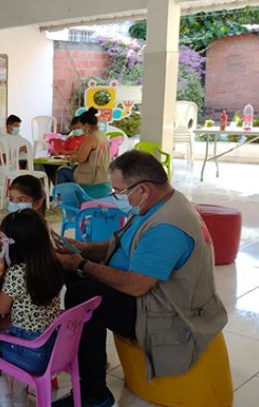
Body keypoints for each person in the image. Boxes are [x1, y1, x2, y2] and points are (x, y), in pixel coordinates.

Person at [52, 150, 228, 407]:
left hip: (166, 312)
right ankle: (89, 356)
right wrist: (81, 248)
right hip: (150, 295)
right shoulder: (155, 204)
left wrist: (82, 263)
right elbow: (119, 244)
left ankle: (94, 395)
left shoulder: (168, 226)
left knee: (81, 295)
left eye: (119, 191)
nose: (116, 198)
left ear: (143, 189)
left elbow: (135, 285)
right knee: (75, 276)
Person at [0, 209, 65, 407]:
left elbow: (0, 308)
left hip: (27, 352)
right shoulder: (53, 264)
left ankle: (1, 393)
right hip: (53, 347)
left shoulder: (17, 273)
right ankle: (16, 391)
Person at [0, 175, 47, 261]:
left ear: (38, 203)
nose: (15, 204)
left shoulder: (41, 229)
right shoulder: (8, 224)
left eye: (21, 200)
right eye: (11, 199)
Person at [55, 107, 110, 186]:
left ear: (86, 125)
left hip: (91, 178)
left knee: (62, 171)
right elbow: (85, 153)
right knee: (72, 169)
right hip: (103, 176)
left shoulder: (91, 137)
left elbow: (81, 158)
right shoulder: (102, 136)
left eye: (80, 126)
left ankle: (63, 197)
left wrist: (71, 157)